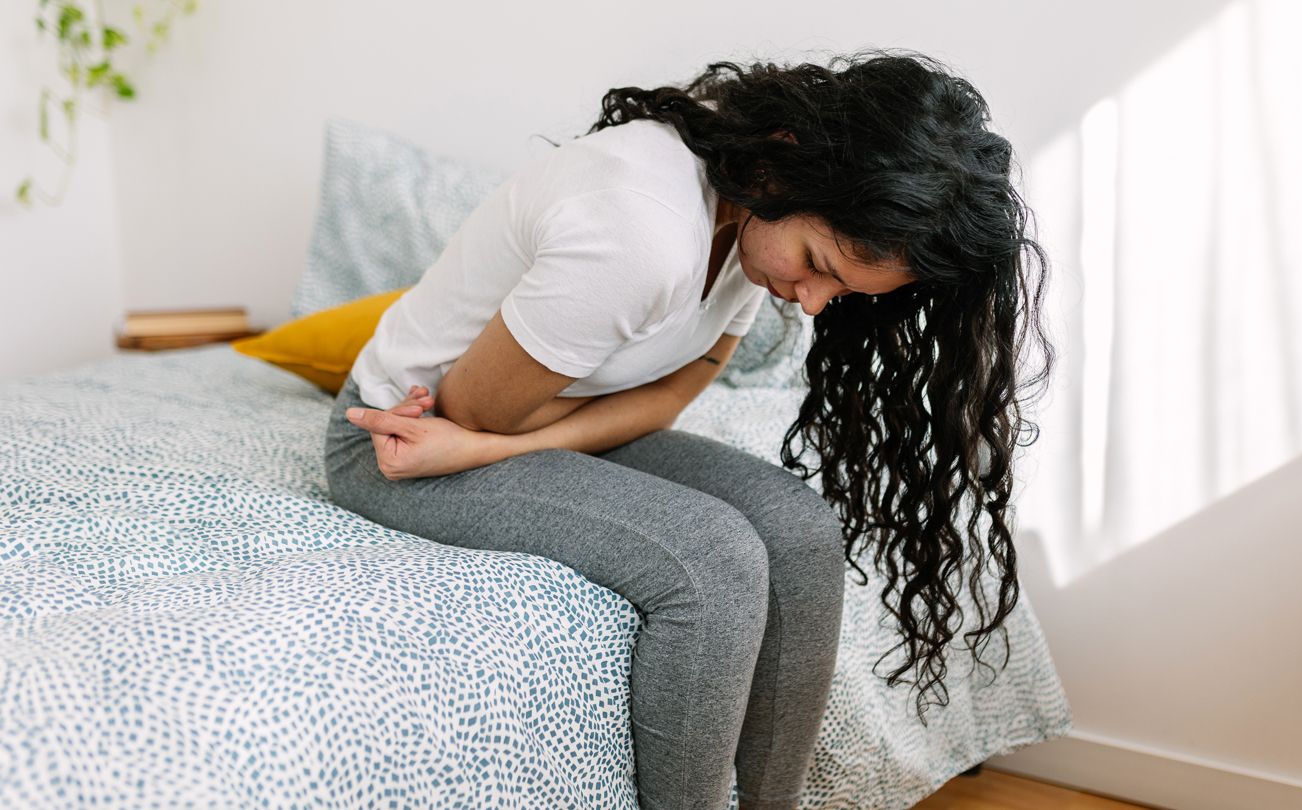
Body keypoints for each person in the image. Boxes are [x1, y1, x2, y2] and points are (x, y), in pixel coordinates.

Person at [326, 49, 1054, 810]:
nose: (810, 304)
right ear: (790, 162)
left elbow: (674, 391)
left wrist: (496, 449)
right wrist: (483, 442)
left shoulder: (743, 208)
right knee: (715, 558)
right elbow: (474, 412)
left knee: (800, 529)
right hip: (401, 443)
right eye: (817, 264)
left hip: (495, 431)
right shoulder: (641, 231)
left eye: (836, 288)